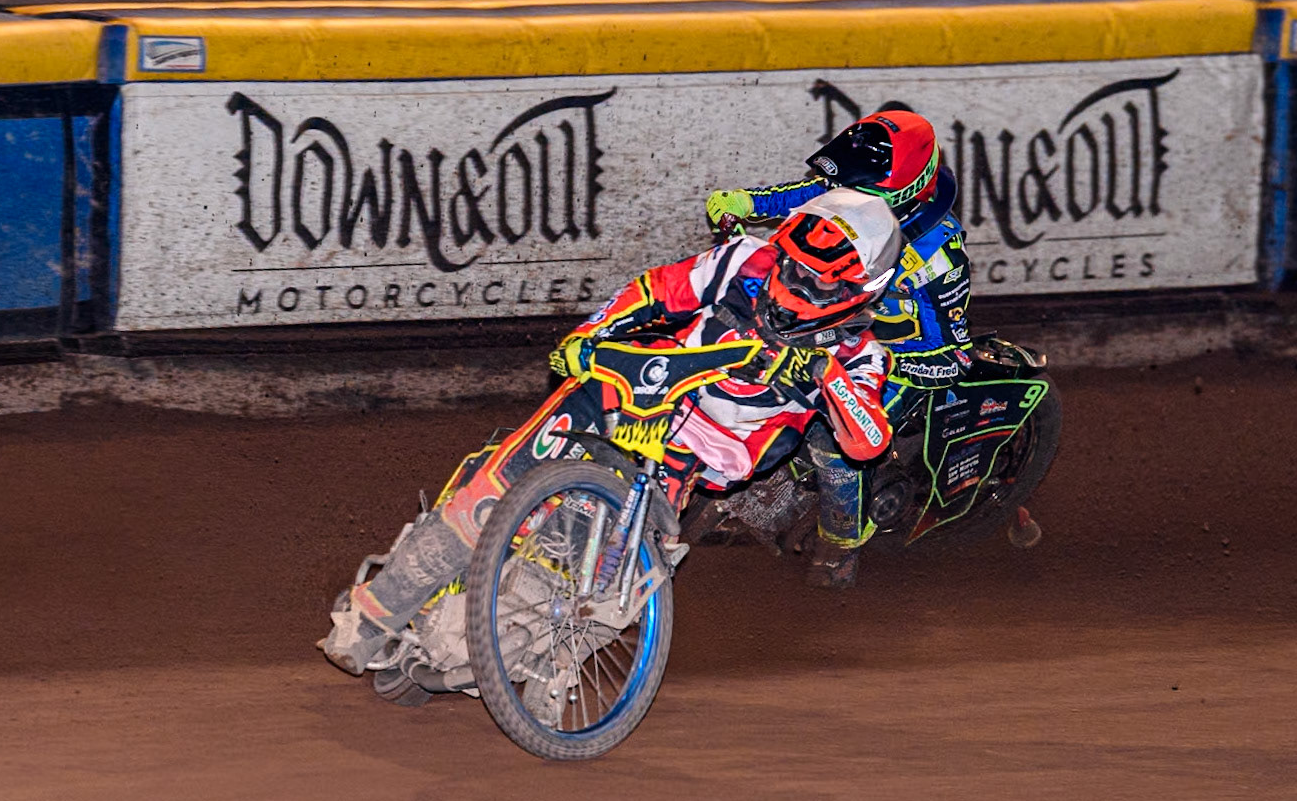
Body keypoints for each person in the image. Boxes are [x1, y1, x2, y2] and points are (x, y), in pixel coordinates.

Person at [322, 188, 902, 675]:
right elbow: (656, 290)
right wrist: (591, 333)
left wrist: (826, 373)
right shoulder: (743, 259)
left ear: (862, 292)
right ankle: (372, 615)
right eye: (793, 267)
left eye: (818, 284)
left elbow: (867, 442)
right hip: (635, 389)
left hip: (697, 453)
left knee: (611, 581)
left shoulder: (861, 356)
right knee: (493, 489)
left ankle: (533, 659)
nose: (794, 286)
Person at [705, 109, 973, 587]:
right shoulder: (852, 196)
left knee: (831, 436)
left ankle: (841, 544)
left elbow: (950, 351)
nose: (840, 197)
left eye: (855, 191)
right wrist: (744, 202)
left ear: (899, 193)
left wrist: (878, 365)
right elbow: (804, 195)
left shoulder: (937, 257)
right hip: (823, 321)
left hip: (900, 360)